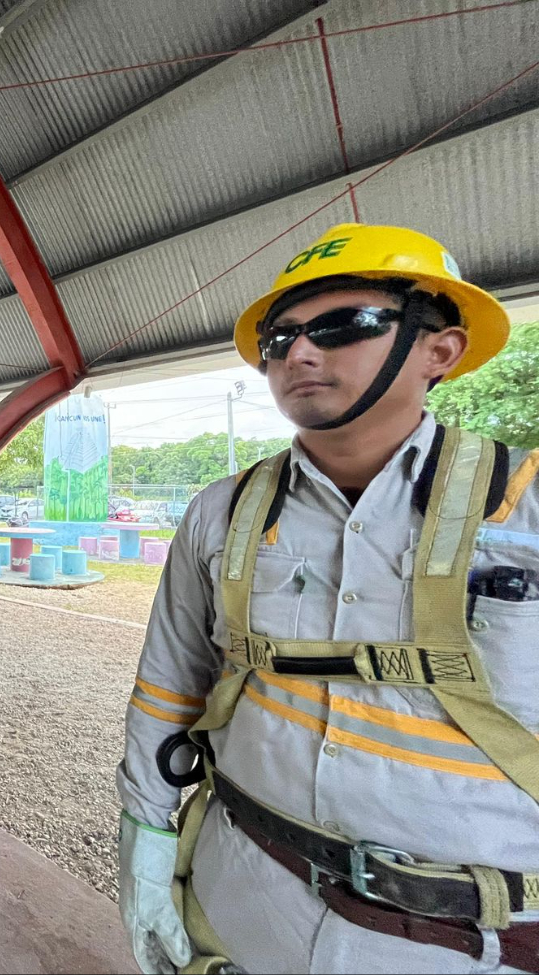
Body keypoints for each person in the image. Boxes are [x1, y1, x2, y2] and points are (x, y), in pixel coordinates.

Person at [116, 224, 539, 975]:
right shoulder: (224, 514)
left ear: (440, 349)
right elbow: (168, 685)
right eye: (279, 339)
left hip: (466, 943)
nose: (299, 353)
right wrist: (146, 831)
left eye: (346, 325)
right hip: (242, 906)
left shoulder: (521, 511)